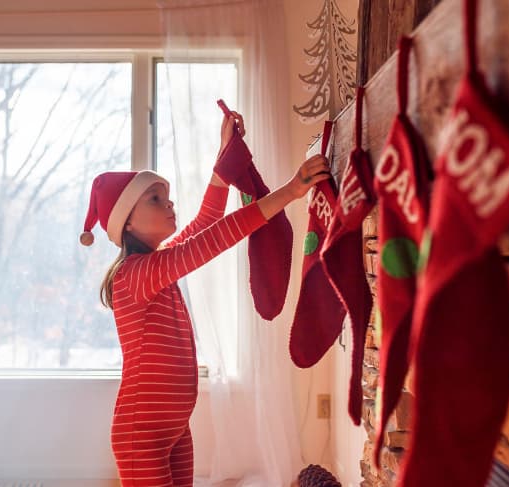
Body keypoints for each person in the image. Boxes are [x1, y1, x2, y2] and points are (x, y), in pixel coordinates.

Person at [79, 108, 330, 486]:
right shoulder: (135, 274)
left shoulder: (158, 264)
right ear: (126, 222)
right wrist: (291, 191)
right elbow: (215, 238)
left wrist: (225, 154)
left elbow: (205, 222)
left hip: (176, 426)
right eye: (154, 199)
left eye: (167, 197)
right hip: (142, 433)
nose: (169, 204)